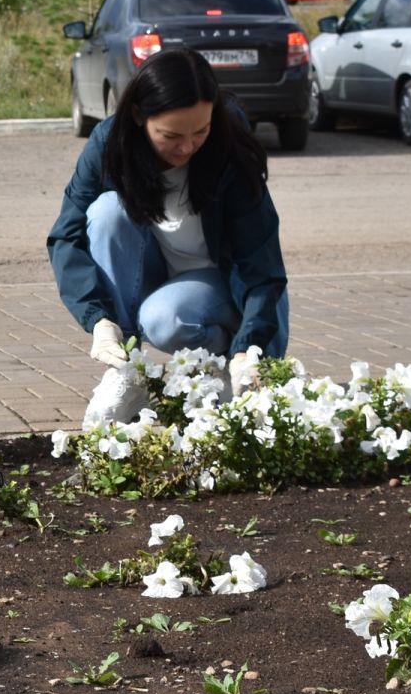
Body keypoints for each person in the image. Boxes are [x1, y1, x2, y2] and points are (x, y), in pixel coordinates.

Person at [47, 47, 289, 421]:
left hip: (228, 290)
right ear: (139, 116)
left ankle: (222, 368)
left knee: (163, 318)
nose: (188, 146)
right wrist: (99, 320)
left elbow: (261, 262)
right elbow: (67, 236)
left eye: (201, 131)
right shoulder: (111, 146)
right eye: (171, 134)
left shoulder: (231, 150)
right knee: (106, 212)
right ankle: (128, 371)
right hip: (157, 275)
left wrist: (250, 348)